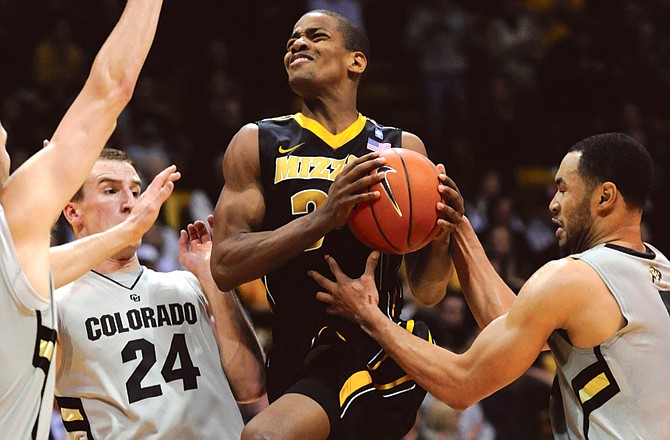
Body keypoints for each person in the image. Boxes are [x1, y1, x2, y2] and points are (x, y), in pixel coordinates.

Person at [311, 132, 670, 439]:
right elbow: (514, 322)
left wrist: (368, 315)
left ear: (605, 197)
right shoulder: (657, 269)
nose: (553, 203)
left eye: (562, 189)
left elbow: (461, 384)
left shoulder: (575, 277)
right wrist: (460, 230)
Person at [210, 9, 464, 440]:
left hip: (373, 344)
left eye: (316, 36)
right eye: (292, 39)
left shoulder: (401, 149)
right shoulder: (258, 142)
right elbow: (225, 265)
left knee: (263, 436)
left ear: (356, 62)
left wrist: (440, 240)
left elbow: (428, 291)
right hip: (293, 347)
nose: (297, 43)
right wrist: (323, 219)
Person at [0, 1, 164, 438]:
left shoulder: (22, 258)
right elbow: (111, 89)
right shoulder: (12, 227)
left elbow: (46, 268)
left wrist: (127, 232)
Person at [53, 148, 266, 438]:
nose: (130, 203)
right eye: (111, 190)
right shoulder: (56, 304)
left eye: (136, 191)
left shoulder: (188, 285)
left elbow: (251, 387)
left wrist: (212, 279)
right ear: (73, 212)